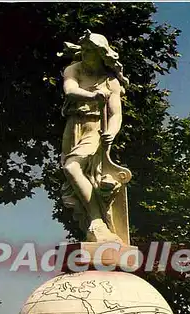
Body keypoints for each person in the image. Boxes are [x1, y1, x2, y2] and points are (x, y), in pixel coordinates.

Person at [60, 30, 128, 242]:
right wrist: (91, 95)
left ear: (101, 54)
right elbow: (70, 90)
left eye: (91, 51)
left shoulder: (111, 82)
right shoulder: (74, 69)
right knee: (76, 177)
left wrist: (111, 132)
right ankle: (96, 225)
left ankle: (97, 221)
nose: (86, 55)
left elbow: (116, 114)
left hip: (95, 129)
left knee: (72, 167)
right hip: (73, 127)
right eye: (85, 50)